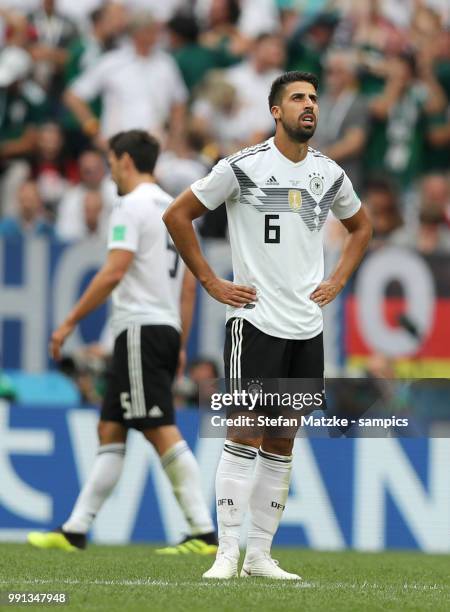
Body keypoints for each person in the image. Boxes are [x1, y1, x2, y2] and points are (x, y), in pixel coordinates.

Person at [164, 71, 372, 579]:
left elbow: (362, 227)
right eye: (298, 98)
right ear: (275, 111)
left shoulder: (329, 174)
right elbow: (177, 215)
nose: (309, 106)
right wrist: (212, 281)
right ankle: (225, 553)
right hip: (255, 323)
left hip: (307, 327)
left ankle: (258, 555)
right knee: (245, 431)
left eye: (314, 99)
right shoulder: (243, 166)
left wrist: (339, 279)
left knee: (282, 439)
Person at [28, 130, 217, 555]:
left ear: (126, 161)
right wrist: (182, 342)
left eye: (112, 161)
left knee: (157, 427)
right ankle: (75, 528)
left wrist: (69, 322)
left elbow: (114, 271)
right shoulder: (176, 208)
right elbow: (188, 288)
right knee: (110, 427)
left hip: (139, 329)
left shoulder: (129, 206)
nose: (110, 169)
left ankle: (204, 532)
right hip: (163, 327)